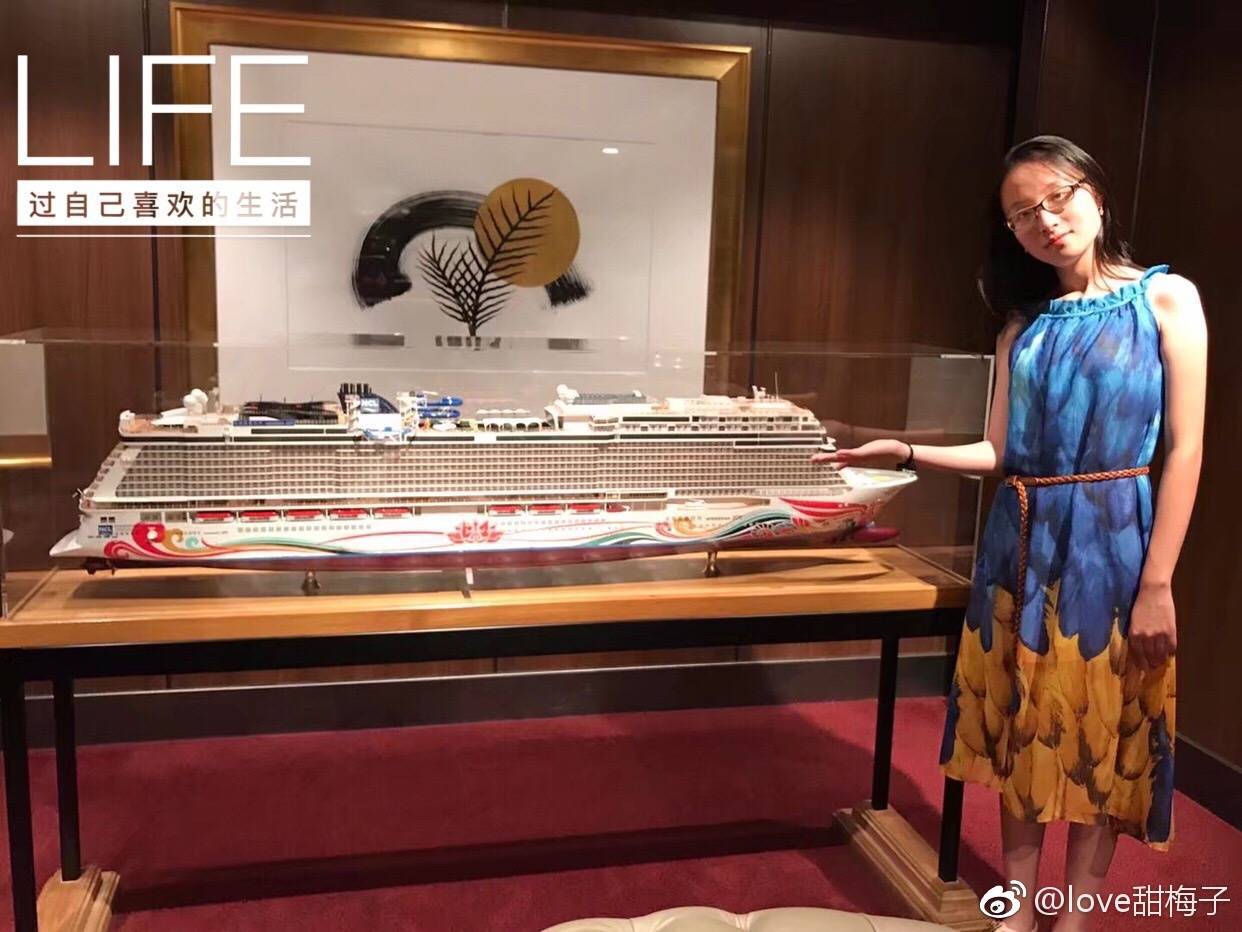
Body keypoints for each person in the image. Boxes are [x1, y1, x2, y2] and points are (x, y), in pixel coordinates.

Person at [813, 135, 1207, 932]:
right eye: (1023, 214)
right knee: (1021, 728)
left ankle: (1074, 920)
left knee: (1102, 732)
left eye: (1057, 197)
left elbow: (1186, 448)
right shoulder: (1021, 327)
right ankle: (1018, 914)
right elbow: (1001, 452)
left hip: (1113, 546)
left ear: (1096, 195)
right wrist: (907, 451)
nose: (1045, 220)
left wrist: (1159, 582)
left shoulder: (1166, 299)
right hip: (1020, 544)